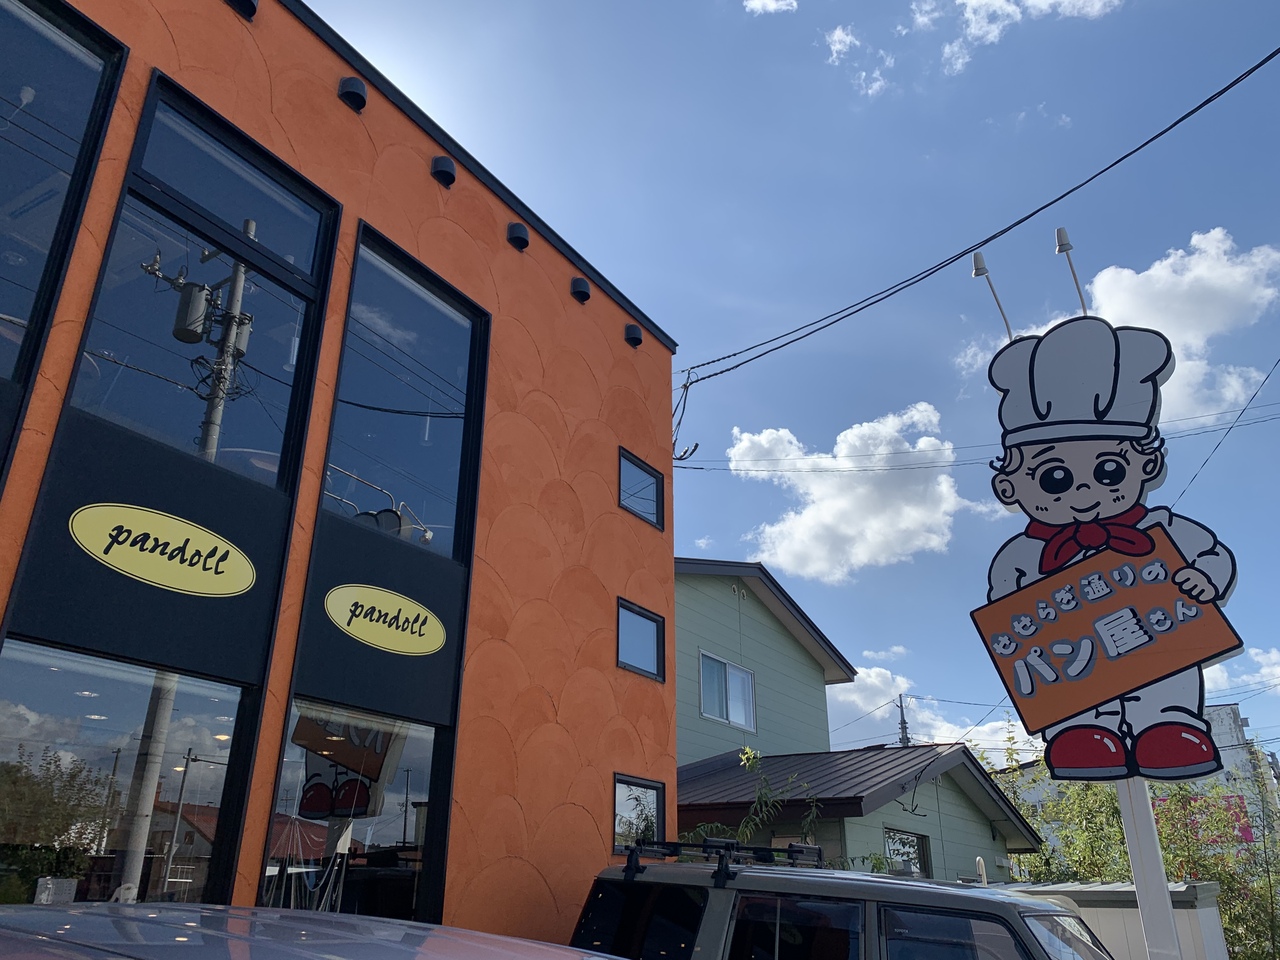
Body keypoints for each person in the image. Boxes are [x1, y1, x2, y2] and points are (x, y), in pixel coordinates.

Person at [986, 315, 1235, 780]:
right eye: (1054, 477)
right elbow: (1005, 611)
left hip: (1155, 636)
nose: (1083, 491)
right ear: (1009, 486)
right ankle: (1080, 733)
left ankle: (1169, 725)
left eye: (1108, 470)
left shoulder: (1160, 528)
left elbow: (1212, 556)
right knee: (1071, 680)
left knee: (1164, 674)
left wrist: (1205, 578)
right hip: (1070, 659)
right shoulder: (1022, 554)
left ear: (1148, 465)